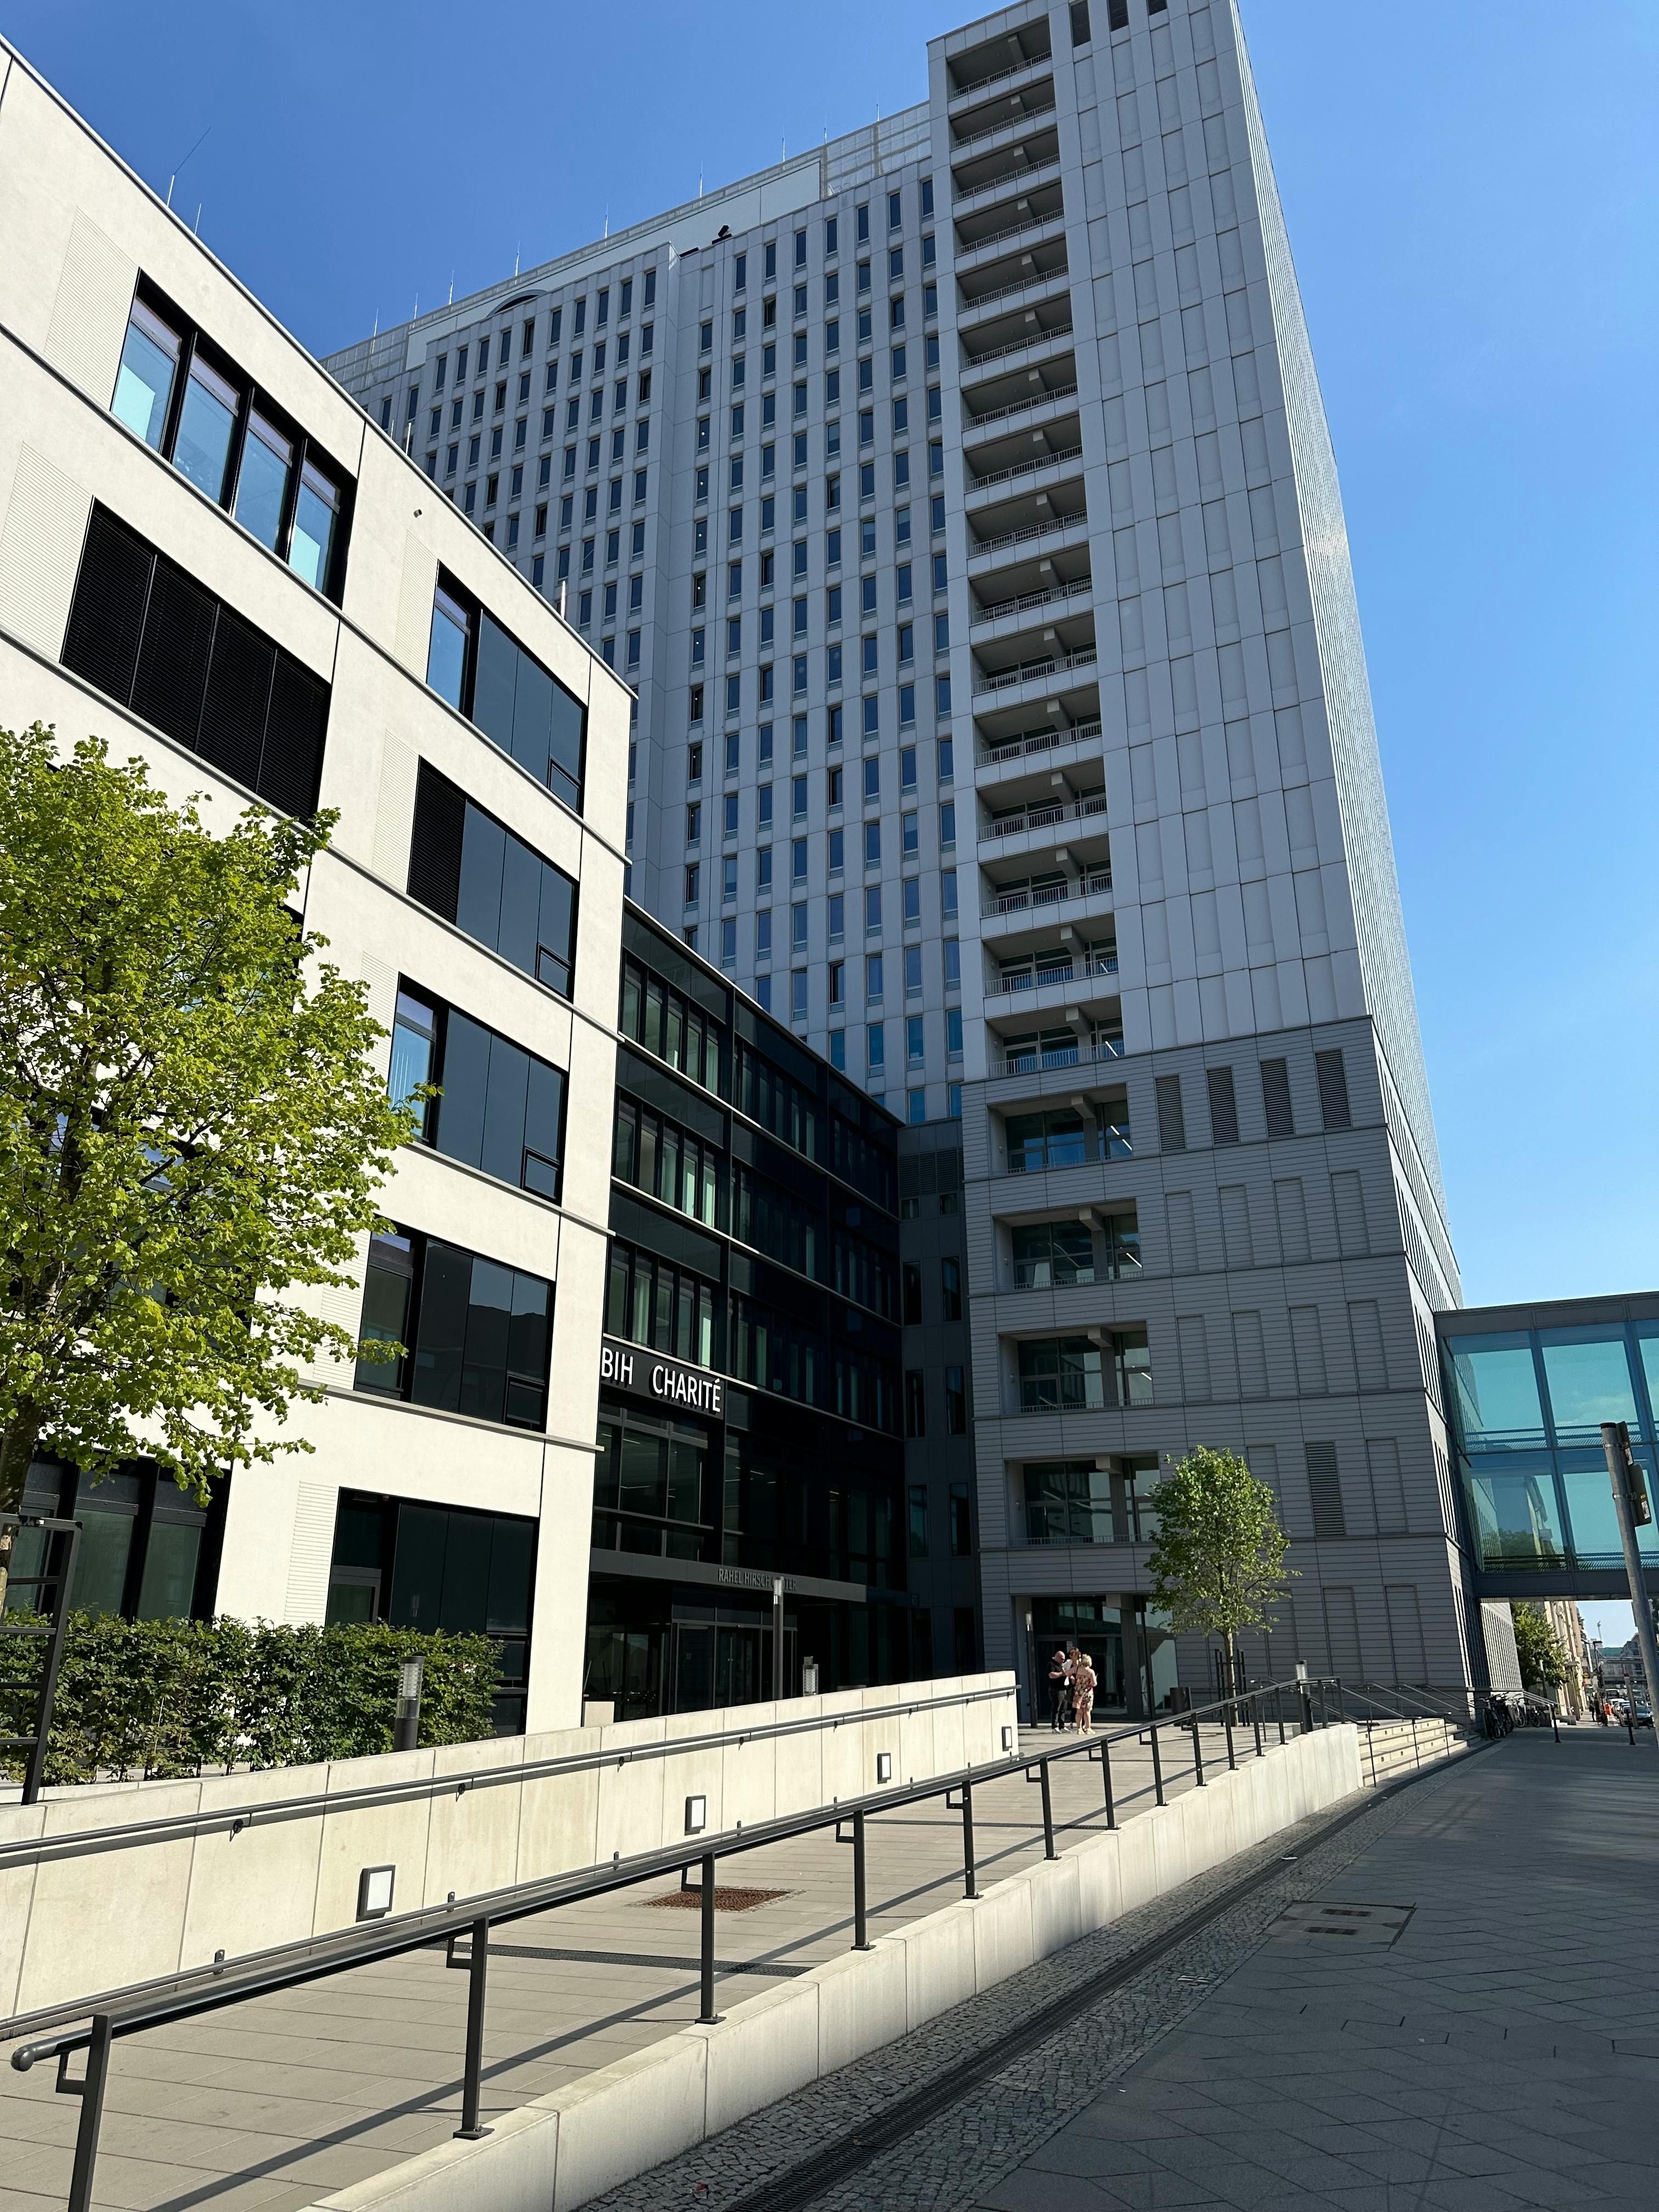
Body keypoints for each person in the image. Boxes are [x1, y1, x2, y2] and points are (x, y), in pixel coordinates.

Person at [1047, 1646, 1073, 1731]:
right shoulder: (1052, 1664)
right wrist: (1062, 1674)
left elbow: (1067, 1673)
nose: (1063, 1660)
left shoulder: (1062, 1665)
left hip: (1064, 1689)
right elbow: (1051, 1675)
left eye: (1064, 1659)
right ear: (1057, 1657)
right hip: (1056, 1689)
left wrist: (1070, 1677)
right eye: (1062, 1659)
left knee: (1063, 1709)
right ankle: (1054, 1726)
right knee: (1056, 1708)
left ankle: (1062, 1726)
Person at [1074, 1651, 1097, 1735]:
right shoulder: (1090, 1672)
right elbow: (1094, 1684)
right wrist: (1095, 1679)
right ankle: (1088, 1728)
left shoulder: (1078, 1670)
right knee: (1087, 1711)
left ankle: (1079, 1728)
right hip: (1087, 1693)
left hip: (1078, 1693)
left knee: (1079, 1711)